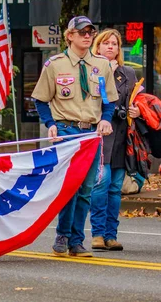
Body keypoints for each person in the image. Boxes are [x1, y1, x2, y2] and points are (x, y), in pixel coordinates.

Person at [31, 16, 118, 258]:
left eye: (90, 31)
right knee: (70, 185)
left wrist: (105, 118)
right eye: (82, 32)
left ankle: (77, 241)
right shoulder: (55, 65)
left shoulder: (101, 65)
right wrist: (50, 124)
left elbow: (108, 100)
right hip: (67, 130)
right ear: (70, 35)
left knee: (86, 188)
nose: (87, 35)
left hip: (90, 133)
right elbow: (40, 99)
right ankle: (63, 234)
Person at [89, 29, 138, 252]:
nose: (110, 47)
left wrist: (135, 110)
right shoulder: (90, 70)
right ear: (97, 47)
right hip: (99, 134)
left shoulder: (128, 73)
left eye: (114, 44)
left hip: (121, 135)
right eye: (106, 43)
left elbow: (135, 100)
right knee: (101, 183)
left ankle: (111, 235)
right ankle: (97, 234)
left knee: (116, 187)